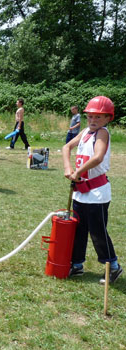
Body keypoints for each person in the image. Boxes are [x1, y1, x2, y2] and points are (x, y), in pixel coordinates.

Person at [63, 96, 122, 284]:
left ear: (107, 119)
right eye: (90, 117)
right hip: (80, 192)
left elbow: (97, 157)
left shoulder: (102, 133)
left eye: (98, 117)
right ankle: (77, 264)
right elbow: (66, 147)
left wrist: (78, 171)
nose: (93, 121)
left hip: (97, 194)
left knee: (98, 232)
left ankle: (113, 266)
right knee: (78, 231)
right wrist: (67, 168)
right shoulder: (86, 132)